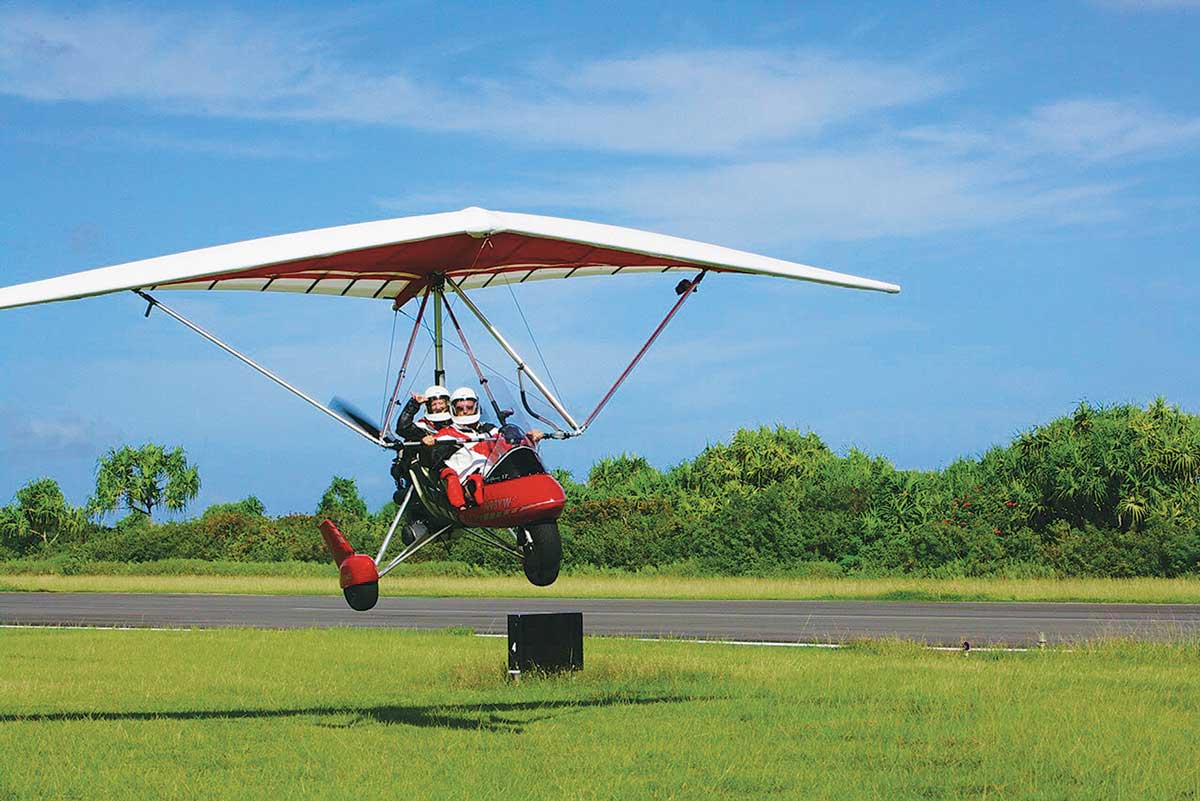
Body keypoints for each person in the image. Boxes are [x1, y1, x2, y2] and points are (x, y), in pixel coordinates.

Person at [430, 387, 545, 510]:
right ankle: (469, 495)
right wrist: (431, 442)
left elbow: (508, 444)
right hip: (466, 476)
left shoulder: (489, 429)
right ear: (453, 410)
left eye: (469, 407)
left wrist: (529, 438)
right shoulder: (446, 434)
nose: (465, 411)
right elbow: (434, 458)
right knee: (475, 481)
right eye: (460, 408)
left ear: (476, 407)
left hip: (494, 473)